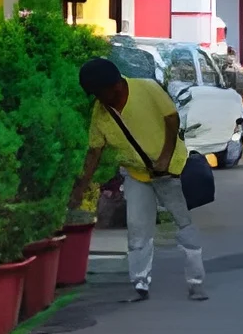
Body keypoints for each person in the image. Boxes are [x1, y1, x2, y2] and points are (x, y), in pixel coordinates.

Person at [70, 58, 207, 302]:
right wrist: (81, 186)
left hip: (169, 172)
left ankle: (196, 281)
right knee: (137, 229)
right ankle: (140, 283)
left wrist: (165, 159)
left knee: (183, 225)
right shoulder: (101, 112)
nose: (98, 99)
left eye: (99, 93)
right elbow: (95, 149)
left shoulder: (147, 89)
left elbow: (172, 119)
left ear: (117, 86)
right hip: (135, 173)